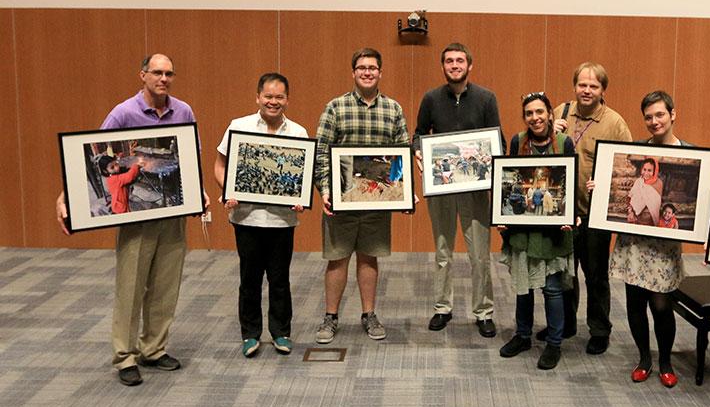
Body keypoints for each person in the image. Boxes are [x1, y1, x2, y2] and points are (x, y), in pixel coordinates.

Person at [55, 53, 206, 386]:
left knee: (166, 284)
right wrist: (66, 197)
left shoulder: (183, 111)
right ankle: (125, 356)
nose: (163, 79)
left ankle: (153, 348)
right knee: (131, 285)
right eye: (156, 73)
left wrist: (199, 192)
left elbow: (190, 157)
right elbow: (87, 152)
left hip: (172, 214)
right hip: (135, 218)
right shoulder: (123, 113)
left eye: (169, 73)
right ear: (142, 75)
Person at [313, 48, 410, 344]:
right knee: (337, 259)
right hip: (340, 202)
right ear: (353, 72)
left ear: (380, 72)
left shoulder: (393, 109)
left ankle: (369, 314)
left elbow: (401, 156)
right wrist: (325, 191)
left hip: (376, 202)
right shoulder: (335, 108)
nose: (367, 72)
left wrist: (404, 192)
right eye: (361, 68)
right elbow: (320, 152)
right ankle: (331, 317)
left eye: (372, 68)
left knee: (369, 259)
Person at [213, 73, 308, 358]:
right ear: (257, 97)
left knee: (280, 279)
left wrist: (300, 197)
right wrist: (227, 188)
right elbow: (220, 165)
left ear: (287, 100)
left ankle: (281, 332)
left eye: (279, 97)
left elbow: (301, 176)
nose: (273, 102)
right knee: (250, 279)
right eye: (268, 96)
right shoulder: (238, 126)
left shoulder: (298, 133)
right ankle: (250, 334)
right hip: (246, 218)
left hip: (281, 220)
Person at [414, 43, 502, 337]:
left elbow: (496, 139)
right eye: (449, 61)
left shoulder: (487, 98)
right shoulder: (430, 99)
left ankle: (484, 311)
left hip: (475, 189)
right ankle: (442, 307)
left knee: (479, 254)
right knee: (442, 250)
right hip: (441, 187)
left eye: (460, 60)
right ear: (443, 67)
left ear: (469, 65)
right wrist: (418, 152)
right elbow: (418, 135)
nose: (454, 65)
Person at [548, 62, 633, 354]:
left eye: (593, 86)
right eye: (582, 84)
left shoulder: (615, 123)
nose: (587, 90)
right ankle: (566, 323)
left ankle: (599, 329)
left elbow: (628, 171)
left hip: (594, 214)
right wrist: (550, 131)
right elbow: (540, 154)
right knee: (564, 272)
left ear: (602, 90)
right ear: (575, 86)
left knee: (595, 275)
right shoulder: (559, 112)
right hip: (562, 212)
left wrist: (608, 184)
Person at [608, 91, 690, 388]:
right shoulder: (635, 152)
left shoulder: (690, 152)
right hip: (634, 242)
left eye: (660, 115)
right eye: (648, 117)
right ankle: (644, 359)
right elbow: (621, 192)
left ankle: (665, 360)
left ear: (673, 114)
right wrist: (601, 186)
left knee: (661, 305)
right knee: (635, 303)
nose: (654, 121)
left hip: (664, 245)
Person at [498, 92, 576, 370]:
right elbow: (508, 182)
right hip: (523, 228)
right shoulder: (519, 141)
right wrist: (502, 215)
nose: (535, 118)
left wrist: (571, 214)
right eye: (529, 113)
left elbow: (570, 182)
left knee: (553, 289)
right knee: (523, 286)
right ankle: (522, 335)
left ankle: (554, 344)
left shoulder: (564, 143)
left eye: (540, 112)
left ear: (549, 113)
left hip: (553, 229)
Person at [627, 157, 663, 226]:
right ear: (641, 170)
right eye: (644, 169)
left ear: (655, 171)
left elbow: (656, 204)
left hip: (650, 221)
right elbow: (629, 198)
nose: (646, 173)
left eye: (649, 170)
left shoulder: (659, 183)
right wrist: (630, 212)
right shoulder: (639, 181)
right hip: (635, 218)